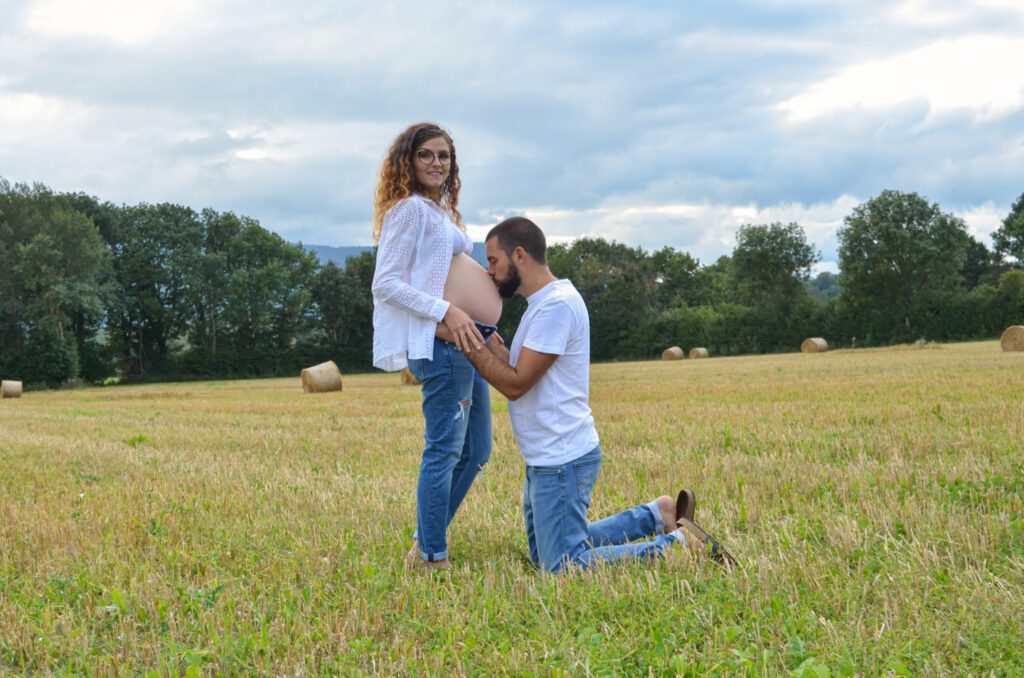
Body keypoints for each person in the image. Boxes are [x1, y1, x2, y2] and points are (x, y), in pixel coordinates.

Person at [450, 216, 738, 573]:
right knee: (546, 557)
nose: (489, 272)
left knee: (561, 567)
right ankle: (657, 514)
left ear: (519, 255)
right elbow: (525, 370)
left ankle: (677, 546)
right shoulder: (541, 304)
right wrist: (487, 345)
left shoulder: (556, 307)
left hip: (562, 459)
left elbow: (516, 383)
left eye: (493, 261)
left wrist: (464, 343)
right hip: (548, 456)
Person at [371, 122, 502, 571]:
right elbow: (385, 283)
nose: (436, 163)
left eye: (444, 156)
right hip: (442, 345)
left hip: (466, 343)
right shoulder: (408, 210)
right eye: (426, 155)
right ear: (408, 160)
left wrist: (483, 323)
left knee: (476, 451)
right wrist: (447, 310)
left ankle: (425, 539)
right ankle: (431, 555)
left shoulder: (438, 211)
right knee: (445, 450)